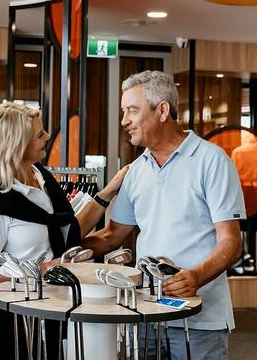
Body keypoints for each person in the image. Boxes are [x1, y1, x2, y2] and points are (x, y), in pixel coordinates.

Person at [84, 70, 244, 360]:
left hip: (200, 317)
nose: (124, 121)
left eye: (132, 110)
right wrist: (61, 251)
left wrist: (196, 276)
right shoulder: (135, 171)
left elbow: (231, 241)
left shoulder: (213, 161)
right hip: (146, 312)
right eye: (123, 112)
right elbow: (112, 236)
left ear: (162, 110)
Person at [0, 101, 129, 359]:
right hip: (18, 322)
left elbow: (68, 228)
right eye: (39, 134)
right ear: (17, 144)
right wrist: (44, 268)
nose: (47, 137)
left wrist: (109, 191)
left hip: (54, 310)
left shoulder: (42, 177)